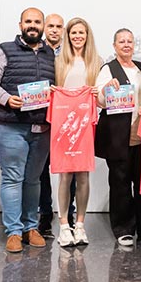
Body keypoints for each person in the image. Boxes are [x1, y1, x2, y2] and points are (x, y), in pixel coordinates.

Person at [0, 7, 55, 254]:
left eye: (37, 21)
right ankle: (13, 231)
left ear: (43, 26)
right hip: (11, 125)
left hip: (42, 127)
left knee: (33, 180)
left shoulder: (51, 54)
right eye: (28, 21)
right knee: (13, 179)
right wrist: (6, 99)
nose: (33, 25)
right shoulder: (4, 50)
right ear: (20, 24)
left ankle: (30, 227)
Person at [95, 28, 141, 246]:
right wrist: (106, 88)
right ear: (114, 46)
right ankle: (123, 228)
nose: (126, 45)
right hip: (117, 135)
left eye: (130, 41)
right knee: (120, 182)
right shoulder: (107, 69)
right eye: (121, 41)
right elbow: (99, 100)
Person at [53, 17, 102, 247]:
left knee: (83, 175)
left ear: (87, 35)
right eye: (73, 33)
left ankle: (80, 225)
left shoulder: (97, 62)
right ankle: (64, 225)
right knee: (65, 175)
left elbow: (103, 101)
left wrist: (97, 93)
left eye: (81, 32)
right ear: (68, 35)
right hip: (63, 125)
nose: (77, 37)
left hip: (85, 126)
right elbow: (48, 92)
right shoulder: (58, 62)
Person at [39, 12, 67, 238]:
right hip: (42, 118)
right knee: (42, 170)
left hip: (68, 120)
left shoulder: (70, 54)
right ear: (44, 28)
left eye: (59, 26)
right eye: (51, 26)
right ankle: (45, 216)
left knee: (70, 169)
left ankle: (69, 212)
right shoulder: (37, 52)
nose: (55, 30)